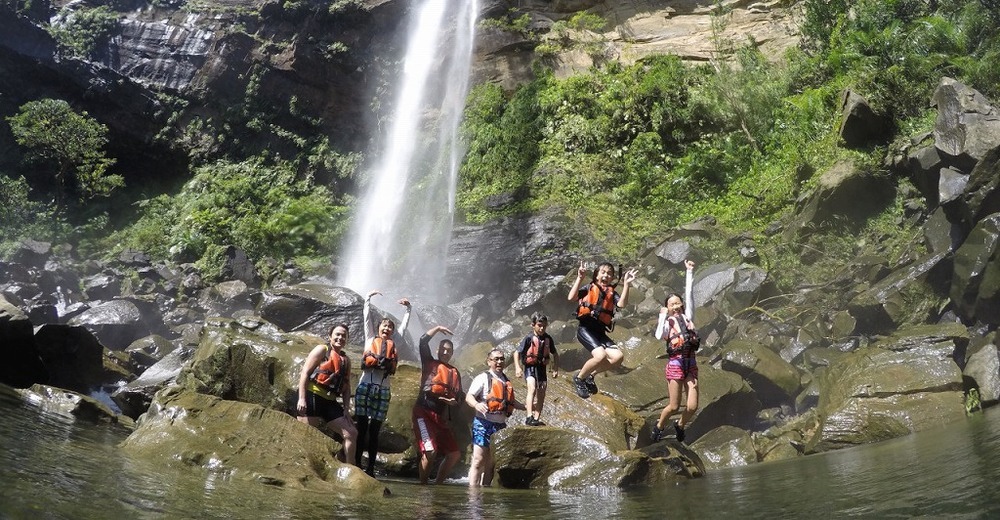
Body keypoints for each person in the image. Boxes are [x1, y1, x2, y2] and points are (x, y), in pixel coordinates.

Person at [354, 290, 411, 475]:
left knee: (375, 429)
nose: (386, 329)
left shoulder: (396, 342)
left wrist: (409, 309)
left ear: (393, 332)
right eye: (384, 326)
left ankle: (370, 467)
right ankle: (356, 464)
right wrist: (367, 300)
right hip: (365, 386)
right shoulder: (370, 338)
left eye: (389, 328)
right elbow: (366, 319)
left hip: (383, 390)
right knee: (362, 428)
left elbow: (404, 327)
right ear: (378, 328)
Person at [567, 260, 638, 398]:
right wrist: (580, 278)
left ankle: (590, 376)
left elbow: (622, 304)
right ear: (596, 275)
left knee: (618, 358)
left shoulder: (612, 293)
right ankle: (579, 378)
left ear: (612, 278)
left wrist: (627, 285)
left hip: (599, 332)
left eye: (609, 274)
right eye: (603, 272)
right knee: (600, 356)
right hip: (585, 329)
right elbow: (571, 297)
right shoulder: (589, 287)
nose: (606, 276)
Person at [297, 323, 358, 465]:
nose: (340, 338)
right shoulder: (321, 350)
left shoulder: (346, 360)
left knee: (351, 433)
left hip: (329, 401)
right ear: (330, 337)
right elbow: (305, 373)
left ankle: (351, 469)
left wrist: (346, 410)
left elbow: (347, 386)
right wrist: (301, 398)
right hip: (312, 396)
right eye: (337, 334)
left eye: (343, 336)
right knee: (307, 435)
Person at [651, 259, 698, 443]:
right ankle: (660, 426)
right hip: (676, 364)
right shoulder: (667, 323)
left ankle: (679, 425)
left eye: (678, 303)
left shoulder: (688, 318)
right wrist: (662, 315)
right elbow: (658, 336)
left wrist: (689, 272)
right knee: (674, 405)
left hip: (691, 363)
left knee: (692, 406)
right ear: (668, 309)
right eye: (672, 305)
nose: (676, 306)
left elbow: (690, 294)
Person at [465, 348, 526, 487]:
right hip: (483, 423)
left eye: (502, 359)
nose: (499, 362)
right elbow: (469, 396)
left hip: (499, 427)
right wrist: (476, 405)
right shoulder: (482, 378)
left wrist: (527, 407)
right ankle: (473, 495)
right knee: (478, 460)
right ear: (489, 362)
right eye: (496, 359)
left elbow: (511, 402)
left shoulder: (506, 381)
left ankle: (485, 491)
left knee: (491, 464)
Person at [411, 325, 464, 485]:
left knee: (454, 454)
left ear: (452, 353)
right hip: (424, 412)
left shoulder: (455, 372)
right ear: (438, 350)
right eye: (443, 349)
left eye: (449, 350)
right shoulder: (429, 361)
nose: (446, 352)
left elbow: (459, 397)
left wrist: (454, 403)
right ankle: (423, 486)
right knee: (430, 451)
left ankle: (438, 484)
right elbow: (422, 341)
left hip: (440, 418)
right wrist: (438, 328)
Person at [513, 312, 559, 426]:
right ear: (533, 325)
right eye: (539, 325)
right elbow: (516, 353)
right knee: (532, 389)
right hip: (530, 367)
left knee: (541, 395)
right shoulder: (529, 338)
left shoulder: (548, 338)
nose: (542, 328)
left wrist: (555, 368)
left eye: (544, 325)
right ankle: (529, 416)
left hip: (542, 369)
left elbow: (555, 354)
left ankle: (536, 418)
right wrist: (518, 367)